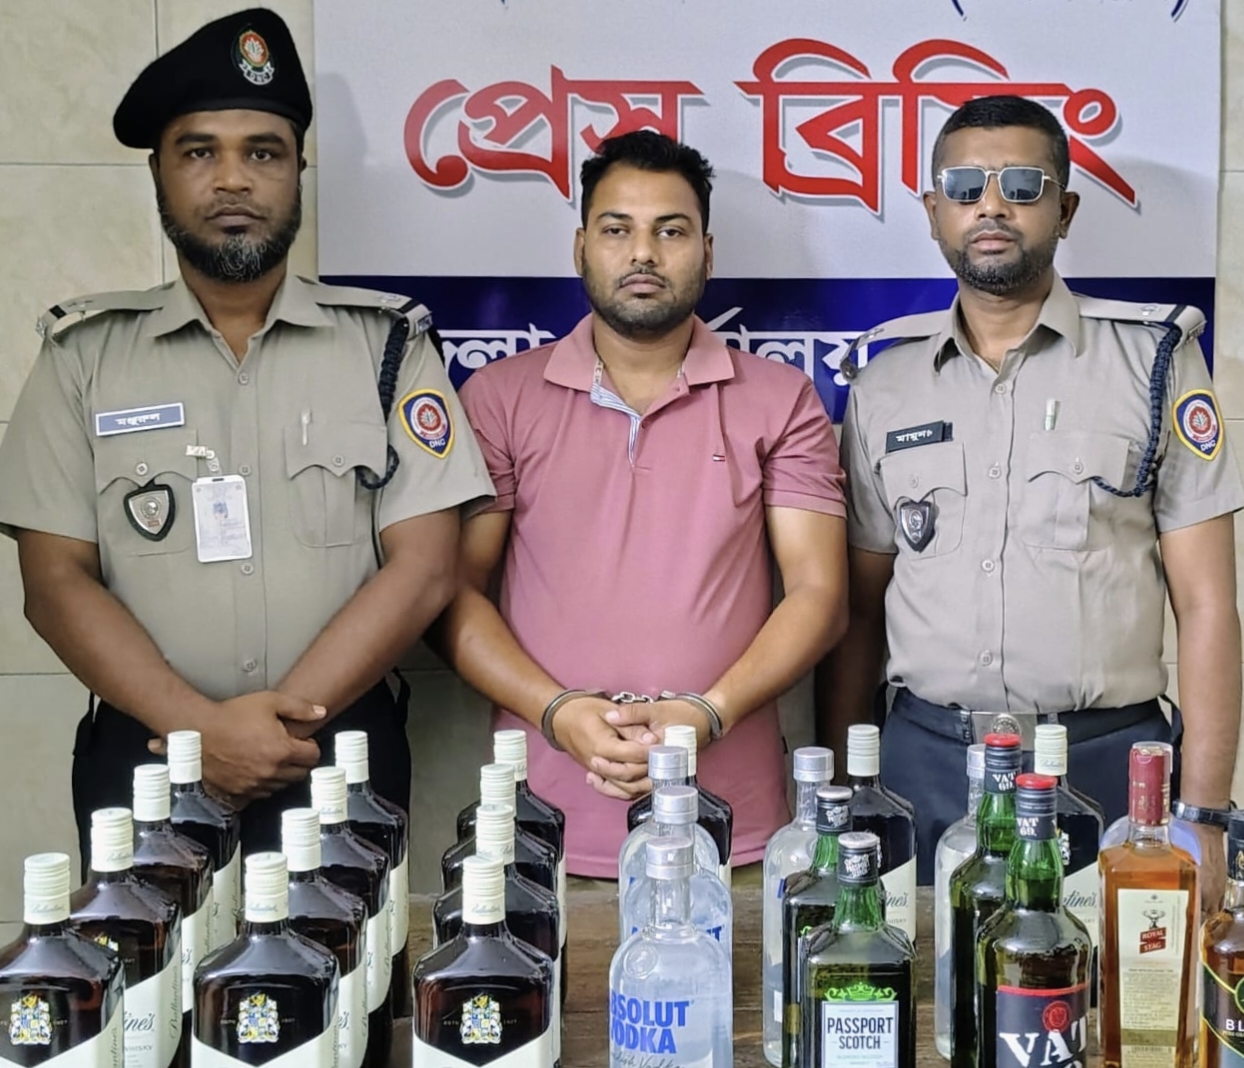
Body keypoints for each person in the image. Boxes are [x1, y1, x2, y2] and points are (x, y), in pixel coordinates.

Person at [0, 9, 493, 865]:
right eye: (199, 152)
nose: (233, 179)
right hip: (149, 759)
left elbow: (426, 567)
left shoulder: (387, 347)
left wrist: (273, 732)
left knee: (355, 957)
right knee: (147, 960)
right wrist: (201, 732)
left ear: (297, 171)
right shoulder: (82, 356)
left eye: (263, 153)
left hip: (339, 758)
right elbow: (53, 581)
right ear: (158, 173)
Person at [818, 94, 1243, 904]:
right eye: (964, 186)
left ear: (1065, 209)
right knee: (917, 978)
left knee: (1115, 982)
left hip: (1106, 771)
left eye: (1021, 185)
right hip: (922, 770)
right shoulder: (883, 384)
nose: (991, 206)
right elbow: (859, 613)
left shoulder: (1155, 364)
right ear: (933, 212)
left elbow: (1209, 605)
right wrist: (845, 792)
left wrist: (1207, 817)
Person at [435, 130, 849, 876]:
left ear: (708, 253)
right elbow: (452, 594)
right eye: (616, 230)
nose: (643, 254)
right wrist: (559, 714)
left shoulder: (781, 399)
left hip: (729, 826)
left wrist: (707, 714)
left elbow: (819, 594)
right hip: (538, 826)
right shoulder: (498, 398)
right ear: (581, 248)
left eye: (671, 231)